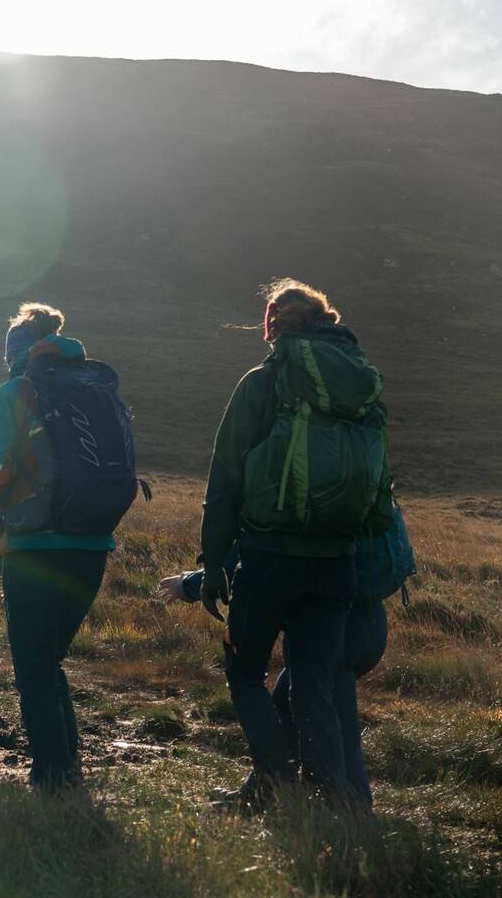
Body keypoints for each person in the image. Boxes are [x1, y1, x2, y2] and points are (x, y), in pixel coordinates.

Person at [199, 279, 389, 811]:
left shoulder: (262, 384)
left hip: (269, 556)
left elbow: (226, 479)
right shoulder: (362, 386)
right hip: (338, 562)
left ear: (273, 324)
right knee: (315, 684)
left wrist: (213, 565)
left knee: (245, 673)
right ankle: (332, 804)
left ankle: (274, 783)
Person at [0, 302, 140, 794]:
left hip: (33, 548)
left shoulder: (14, 393)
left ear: (15, 353)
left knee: (34, 667)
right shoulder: (95, 389)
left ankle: (53, 778)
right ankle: (69, 765)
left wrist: (10, 493)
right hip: (92, 546)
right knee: (50, 661)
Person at [158, 553, 391, 810]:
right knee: (287, 704)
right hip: (369, 621)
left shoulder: (291, 516)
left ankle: (351, 809)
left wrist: (191, 584)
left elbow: (251, 559)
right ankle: (263, 793)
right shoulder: (347, 515)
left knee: (328, 714)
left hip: (333, 630)